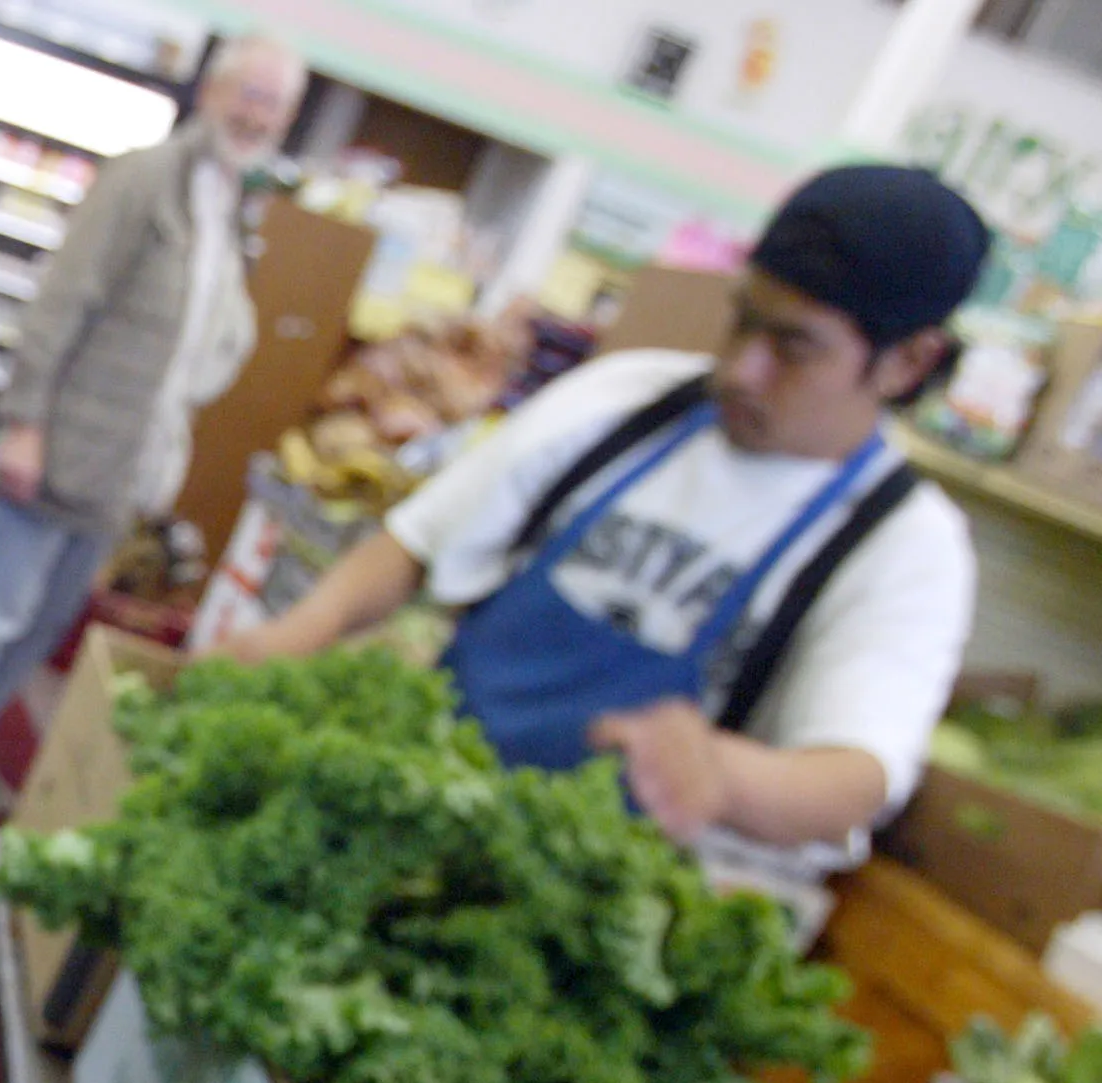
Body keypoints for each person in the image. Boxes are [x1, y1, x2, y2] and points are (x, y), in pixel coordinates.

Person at [211, 164, 992, 868]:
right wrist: (298, 634)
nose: (743, 368)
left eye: (794, 348)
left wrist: (721, 772)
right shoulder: (626, 399)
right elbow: (420, 540)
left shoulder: (905, 547)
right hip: (410, 813)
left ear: (908, 362)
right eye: (744, 322)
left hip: (589, 907)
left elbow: (855, 777)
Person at [0, 36, 308, 812]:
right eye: (249, 94)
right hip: (64, 442)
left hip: (123, 467)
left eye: (275, 105)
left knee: (40, 628)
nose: (258, 116)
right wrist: (24, 421)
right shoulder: (148, 179)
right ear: (211, 91)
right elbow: (63, 298)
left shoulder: (231, 207)